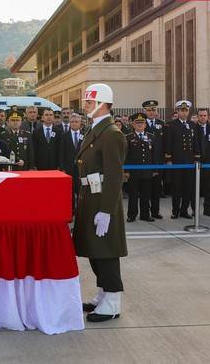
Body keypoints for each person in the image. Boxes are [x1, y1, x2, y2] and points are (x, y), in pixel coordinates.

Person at [75, 83, 127, 323]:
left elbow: (114, 175)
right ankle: (104, 292)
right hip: (89, 198)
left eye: (89, 102)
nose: (85, 105)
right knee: (95, 251)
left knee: (106, 252)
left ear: (102, 104)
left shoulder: (112, 133)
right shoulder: (96, 129)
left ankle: (113, 301)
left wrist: (106, 210)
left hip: (101, 201)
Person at [164, 100, 199, 219]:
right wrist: (169, 159)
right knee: (176, 187)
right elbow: (168, 143)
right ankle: (175, 211)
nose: (184, 113)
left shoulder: (193, 125)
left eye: (186, 111)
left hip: (189, 162)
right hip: (177, 161)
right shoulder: (171, 125)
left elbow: (196, 143)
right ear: (177, 111)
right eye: (181, 110)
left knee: (187, 187)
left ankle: (184, 210)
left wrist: (196, 158)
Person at [124, 113, 155, 222]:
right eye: (137, 123)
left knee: (146, 195)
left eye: (142, 123)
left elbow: (154, 155)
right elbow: (125, 156)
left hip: (147, 171)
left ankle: (145, 215)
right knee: (133, 195)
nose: (140, 125)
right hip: (133, 172)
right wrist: (126, 170)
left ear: (145, 124)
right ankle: (132, 215)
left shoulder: (151, 137)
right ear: (133, 124)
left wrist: (154, 170)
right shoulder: (128, 138)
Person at [143, 100, 165, 219]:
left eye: (153, 110)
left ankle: (155, 211)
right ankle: (145, 212)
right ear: (145, 111)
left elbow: (164, 143)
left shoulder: (161, 124)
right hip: (145, 161)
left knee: (157, 189)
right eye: (149, 110)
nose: (151, 112)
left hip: (158, 161)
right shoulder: (141, 123)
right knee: (146, 189)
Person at [60, 113, 84, 207]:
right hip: (68, 168)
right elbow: (61, 153)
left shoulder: (85, 135)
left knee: (80, 191)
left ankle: (80, 211)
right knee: (69, 191)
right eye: (72, 122)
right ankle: (70, 211)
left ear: (80, 123)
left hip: (81, 168)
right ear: (70, 123)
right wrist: (62, 168)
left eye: (76, 122)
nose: (74, 123)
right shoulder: (64, 136)